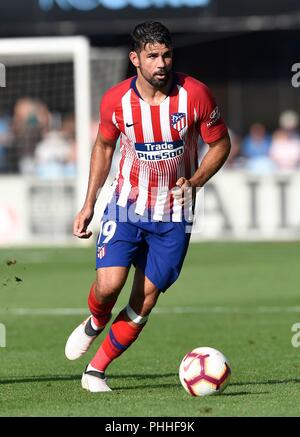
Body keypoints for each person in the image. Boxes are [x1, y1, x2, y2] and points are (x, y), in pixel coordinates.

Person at [65, 21, 231, 392]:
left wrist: (196, 181)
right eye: (152, 56)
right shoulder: (116, 101)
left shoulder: (196, 95)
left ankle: (96, 371)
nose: (161, 63)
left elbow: (221, 144)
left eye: (167, 54)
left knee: (143, 301)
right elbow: (104, 147)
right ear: (135, 59)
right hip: (126, 205)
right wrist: (89, 203)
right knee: (109, 286)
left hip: (175, 215)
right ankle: (95, 320)